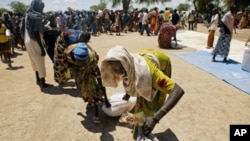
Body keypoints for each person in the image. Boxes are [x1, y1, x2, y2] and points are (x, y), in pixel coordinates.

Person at [100, 46, 184, 140]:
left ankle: (147, 124)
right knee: (140, 105)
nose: (119, 72)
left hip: (161, 61)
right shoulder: (127, 64)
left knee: (153, 102)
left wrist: (155, 119)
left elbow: (177, 91)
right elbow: (129, 80)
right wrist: (128, 94)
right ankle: (141, 129)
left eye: (120, 69)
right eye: (115, 71)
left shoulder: (153, 74)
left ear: (126, 64)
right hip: (145, 56)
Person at [62, 42, 110, 123]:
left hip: (89, 72)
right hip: (78, 75)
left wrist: (106, 99)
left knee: (92, 88)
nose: (82, 64)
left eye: (84, 61)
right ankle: (91, 101)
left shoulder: (92, 60)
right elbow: (65, 65)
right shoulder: (68, 55)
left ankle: (96, 113)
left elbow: (100, 80)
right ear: (74, 57)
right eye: (80, 61)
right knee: (83, 89)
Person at [24, 0, 53, 91]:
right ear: (36, 6)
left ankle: (37, 80)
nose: (42, 9)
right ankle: (42, 83)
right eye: (41, 7)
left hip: (27, 40)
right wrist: (42, 48)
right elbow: (37, 32)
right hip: (35, 41)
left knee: (34, 61)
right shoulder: (36, 16)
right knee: (40, 61)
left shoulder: (27, 15)